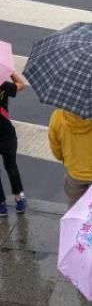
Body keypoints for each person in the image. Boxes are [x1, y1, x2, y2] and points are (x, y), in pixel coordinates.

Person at [0, 71, 27, 216]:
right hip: (6, 133)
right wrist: (10, 72)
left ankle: (1, 205)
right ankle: (19, 200)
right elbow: (21, 85)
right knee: (11, 166)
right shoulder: (2, 85)